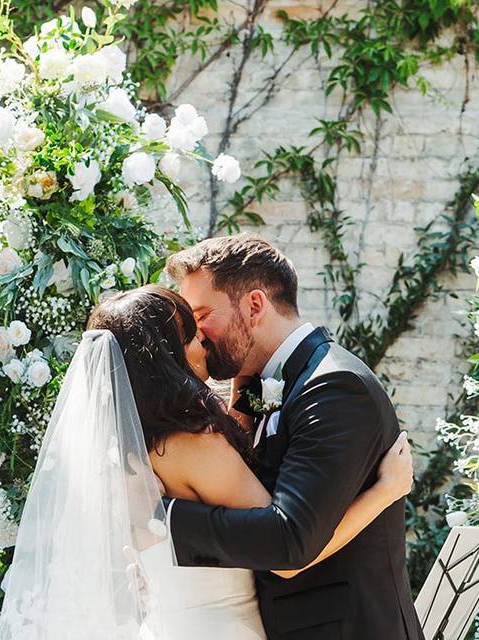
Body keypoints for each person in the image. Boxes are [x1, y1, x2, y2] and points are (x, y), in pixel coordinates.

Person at [0, 284, 413, 640]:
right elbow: (286, 551)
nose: (205, 345)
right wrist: (384, 493)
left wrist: (243, 399)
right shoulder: (194, 444)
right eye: (192, 334)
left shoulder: (127, 447)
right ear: (167, 353)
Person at [161, 234, 424, 640]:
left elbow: (289, 543)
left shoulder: (334, 387)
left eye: (201, 315)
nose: (196, 334)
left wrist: (163, 518)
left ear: (254, 306)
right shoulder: (269, 381)